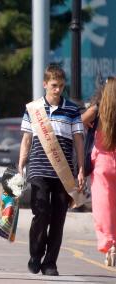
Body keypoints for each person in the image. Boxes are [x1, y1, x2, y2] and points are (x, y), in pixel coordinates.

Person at [18, 63, 85, 276]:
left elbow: (79, 142)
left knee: (58, 217)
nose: (58, 90)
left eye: (61, 86)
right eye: (54, 85)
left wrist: (81, 169)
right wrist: (21, 164)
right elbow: (26, 139)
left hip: (63, 174)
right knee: (41, 213)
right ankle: (35, 254)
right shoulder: (33, 108)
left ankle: (50, 263)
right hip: (38, 170)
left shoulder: (72, 110)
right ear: (45, 84)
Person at [89, 77, 116, 266]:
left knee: (103, 209)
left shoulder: (98, 111)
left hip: (102, 164)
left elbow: (78, 123)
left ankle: (109, 244)